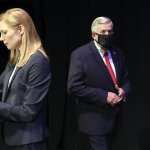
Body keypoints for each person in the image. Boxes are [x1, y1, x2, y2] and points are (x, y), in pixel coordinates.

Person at [67, 17, 130, 150]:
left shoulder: (118, 53)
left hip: (116, 118)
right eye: (103, 32)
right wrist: (104, 96)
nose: (107, 35)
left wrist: (124, 90)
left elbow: (125, 80)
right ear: (93, 34)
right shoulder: (80, 55)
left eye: (110, 32)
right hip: (94, 120)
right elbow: (73, 87)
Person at [0, 8, 51, 150]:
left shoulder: (38, 62)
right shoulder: (15, 59)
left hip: (28, 142)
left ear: (20, 29)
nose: (1, 38)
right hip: (10, 138)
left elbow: (29, 111)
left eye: (4, 32)